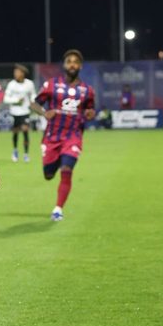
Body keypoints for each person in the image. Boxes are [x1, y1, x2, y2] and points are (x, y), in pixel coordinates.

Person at [30, 49, 96, 221]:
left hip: (73, 137)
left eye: (76, 61)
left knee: (67, 170)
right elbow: (34, 104)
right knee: (49, 175)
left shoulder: (87, 90)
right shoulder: (52, 84)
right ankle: (58, 159)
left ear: (80, 66)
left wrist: (90, 113)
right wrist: (44, 113)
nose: (72, 64)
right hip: (52, 137)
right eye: (69, 61)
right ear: (64, 65)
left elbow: (90, 109)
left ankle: (58, 209)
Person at [3, 64, 35, 163]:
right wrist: (16, 100)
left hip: (25, 111)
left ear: (22, 73)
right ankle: (15, 150)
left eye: (17, 72)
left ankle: (26, 154)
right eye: (15, 72)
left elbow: (33, 94)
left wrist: (33, 100)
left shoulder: (29, 84)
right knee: (15, 132)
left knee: (25, 130)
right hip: (14, 112)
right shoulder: (11, 84)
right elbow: (5, 99)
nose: (15, 74)